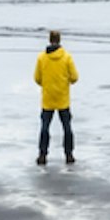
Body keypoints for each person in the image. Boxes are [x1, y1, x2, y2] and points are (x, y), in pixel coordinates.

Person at [34, 31, 80, 165]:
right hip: (62, 98)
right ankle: (69, 154)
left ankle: (42, 155)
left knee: (45, 127)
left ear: (49, 40)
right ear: (60, 41)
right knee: (67, 127)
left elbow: (37, 78)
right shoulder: (67, 57)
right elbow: (75, 77)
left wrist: (47, 84)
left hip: (48, 98)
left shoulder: (42, 58)